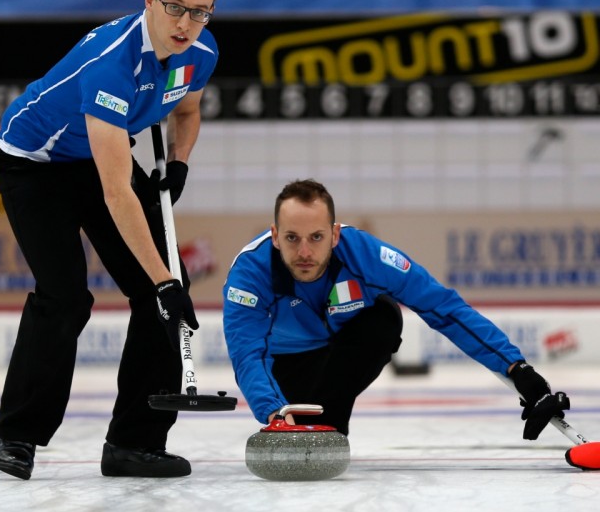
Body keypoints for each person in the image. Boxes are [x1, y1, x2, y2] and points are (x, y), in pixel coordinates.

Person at [0, 0, 220, 480]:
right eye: (175, 6)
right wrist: (165, 281)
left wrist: (180, 162)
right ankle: (17, 435)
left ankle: (133, 443)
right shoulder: (112, 64)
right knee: (66, 296)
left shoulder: (201, 51)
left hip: (97, 155)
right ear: (149, 0)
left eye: (200, 11)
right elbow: (117, 192)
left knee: (158, 296)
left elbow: (186, 108)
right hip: (36, 162)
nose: (186, 22)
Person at [222, 179, 571, 439]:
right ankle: (306, 420)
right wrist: (273, 412)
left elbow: (444, 309)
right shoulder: (249, 274)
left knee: (385, 318)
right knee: (280, 383)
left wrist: (518, 369)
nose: (304, 252)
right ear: (274, 234)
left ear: (335, 234)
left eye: (316, 237)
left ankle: (329, 430)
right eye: (292, 238)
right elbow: (248, 354)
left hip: (341, 359)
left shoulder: (367, 256)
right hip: (288, 370)